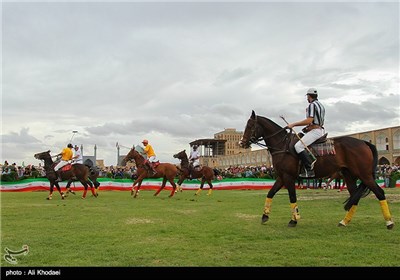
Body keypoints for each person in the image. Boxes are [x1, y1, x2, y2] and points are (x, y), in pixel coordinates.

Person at [287, 88, 326, 178]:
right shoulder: (321, 105)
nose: (307, 98)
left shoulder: (312, 105)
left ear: (309, 96)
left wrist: (293, 124)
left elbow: (309, 120)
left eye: (307, 96)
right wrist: (307, 128)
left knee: (298, 146)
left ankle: (309, 169)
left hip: (315, 131)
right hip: (317, 129)